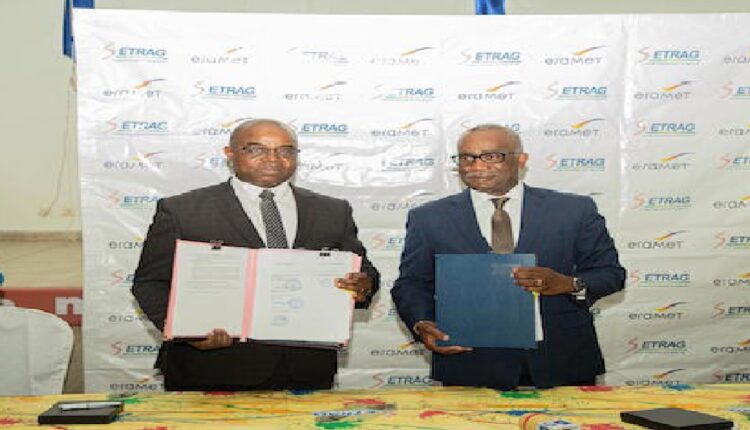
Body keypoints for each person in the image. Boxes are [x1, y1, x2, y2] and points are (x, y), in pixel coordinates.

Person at [132, 118, 380, 391]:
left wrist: (363, 285)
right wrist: (185, 331)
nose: (272, 159)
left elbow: (363, 272)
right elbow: (150, 283)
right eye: (256, 149)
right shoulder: (183, 210)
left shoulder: (332, 211)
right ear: (230, 153)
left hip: (306, 369)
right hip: (210, 368)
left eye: (285, 150)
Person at [391, 124, 625, 389]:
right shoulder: (429, 218)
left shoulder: (574, 210)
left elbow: (610, 274)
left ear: (521, 160)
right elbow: (412, 283)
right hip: (469, 363)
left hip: (562, 361)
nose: (476, 166)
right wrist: (422, 323)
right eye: (466, 157)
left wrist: (569, 284)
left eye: (491, 156)